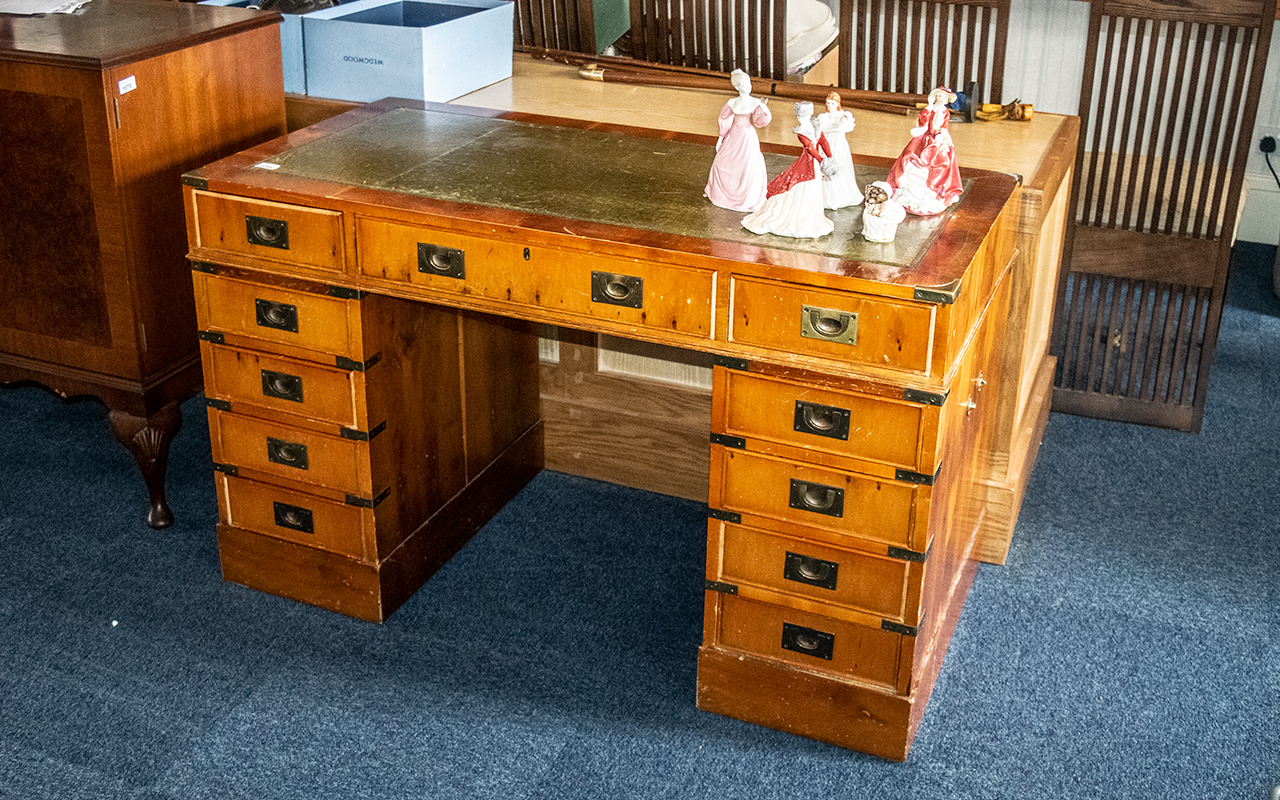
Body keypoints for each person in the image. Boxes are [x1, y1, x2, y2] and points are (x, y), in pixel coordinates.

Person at [741, 101, 837, 239]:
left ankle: (807, 216)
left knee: (808, 187)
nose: (800, 118)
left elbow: (823, 142)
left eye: (802, 115)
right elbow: (810, 148)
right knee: (797, 184)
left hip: (813, 164)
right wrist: (824, 160)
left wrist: (829, 157)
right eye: (799, 116)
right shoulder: (801, 132)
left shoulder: (814, 126)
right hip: (810, 163)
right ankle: (798, 216)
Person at [885, 86, 964, 215]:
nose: (942, 99)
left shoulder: (945, 112)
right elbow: (922, 125)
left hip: (938, 139)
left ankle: (941, 192)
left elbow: (944, 128)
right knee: (913, 157)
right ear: (935, 97)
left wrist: (945, 139)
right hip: (925, 139)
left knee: (948, 156)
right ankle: (906, 193)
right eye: (939, 96)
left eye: (944, 97)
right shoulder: (929, 110)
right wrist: (926, 114)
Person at [704, 69, 772, 212]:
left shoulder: (755, 102)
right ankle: (723, 194)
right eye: (743, 85)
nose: (747, 87)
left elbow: (760, 122)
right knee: (722, 162)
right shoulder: (732, 102)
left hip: (747, 135)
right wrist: (721, 138)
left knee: (749, 164)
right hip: (734, 135)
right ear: (736, 87)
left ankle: (748, 196)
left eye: (748, 84)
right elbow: (725, 121)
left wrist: (764, 109)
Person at [816, 92, 862, 209]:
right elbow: (820, 130)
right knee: (826, 168)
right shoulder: (823, 117)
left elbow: (844, 124)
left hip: (838, 144)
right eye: (828, 103)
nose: (830, 105)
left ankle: (840, 195)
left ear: (837, 103)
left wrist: (835, 126)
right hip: (827, 144)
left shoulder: (844, 115)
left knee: (840, 167)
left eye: (832, 103)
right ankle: (825, 197)